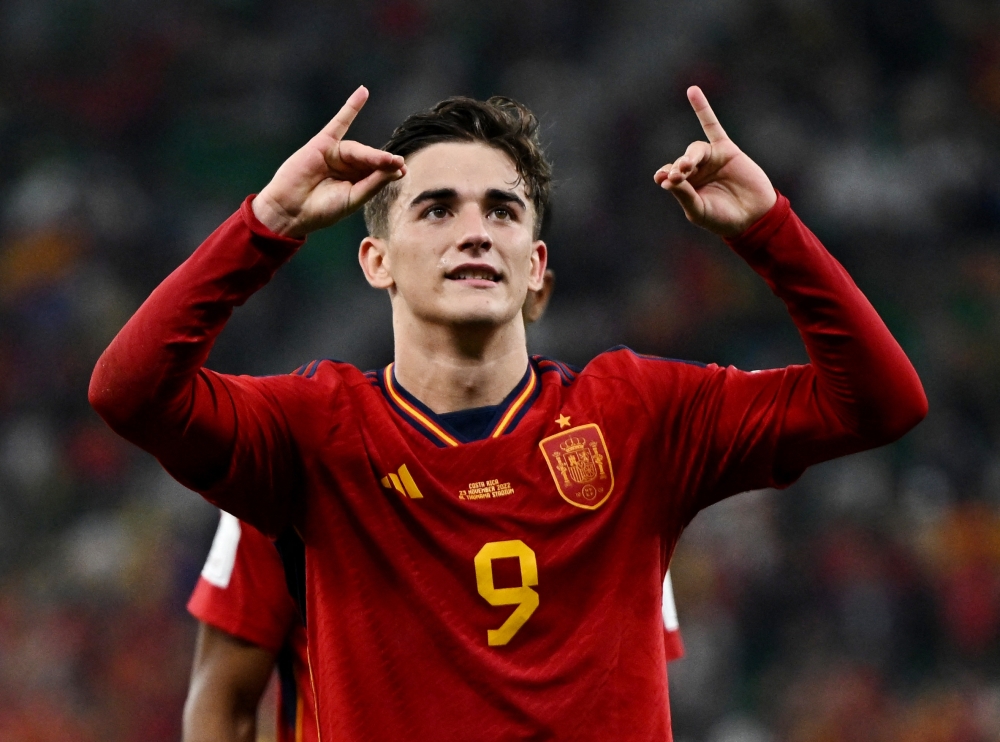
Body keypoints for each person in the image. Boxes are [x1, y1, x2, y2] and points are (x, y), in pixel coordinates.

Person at [89, 85, 926, 740]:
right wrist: (264, 224)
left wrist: (772, 231)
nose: (476, 231)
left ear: (536, 266)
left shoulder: (640, 417)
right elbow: (128, 392)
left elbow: (882, 402)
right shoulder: (310, 434)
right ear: (375, 260)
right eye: (437, 208)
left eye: (503, 210)